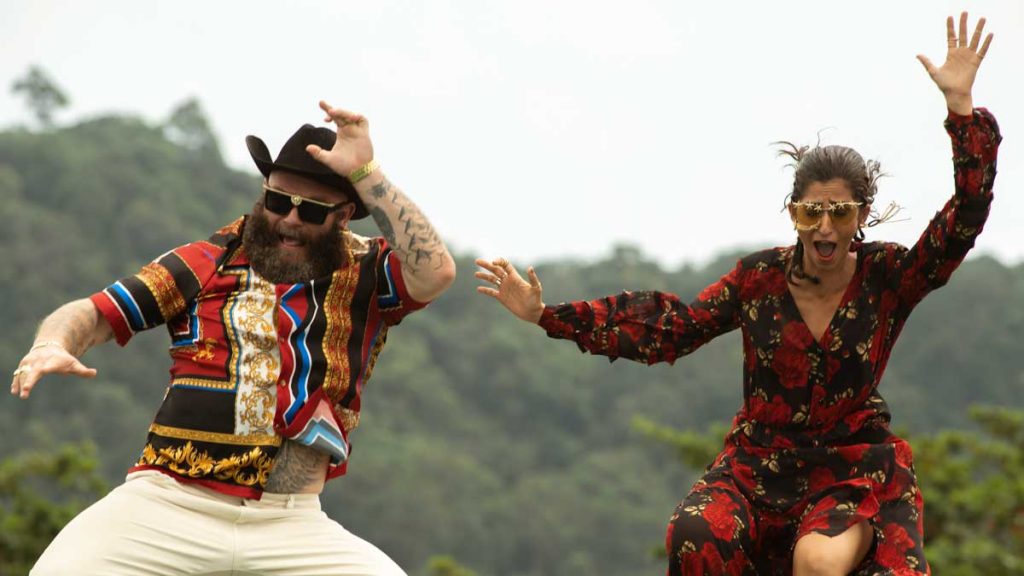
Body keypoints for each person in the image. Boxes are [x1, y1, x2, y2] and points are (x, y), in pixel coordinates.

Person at [475, 12, 999, 576]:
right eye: (812, 212)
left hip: (849, 470)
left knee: (819, 563)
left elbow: (963, 222)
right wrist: (546, 315)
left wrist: (960, 110)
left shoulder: (888, 275)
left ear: (862, 215)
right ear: (793, 213)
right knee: (695, 535)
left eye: (840, 213)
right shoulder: (758, 280)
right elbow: (671, 328)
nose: (825, 228)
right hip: (757, 467)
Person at [12, 100, 456, 575]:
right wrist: (51, 344)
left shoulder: (368, 270)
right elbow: (95, 312)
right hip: (168, 505)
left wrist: (367, 173)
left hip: (292, 524)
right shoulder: (208, 260)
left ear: (344, 215)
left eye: (310, 211)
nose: (289, 220)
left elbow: (436, 273)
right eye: (278, 202)